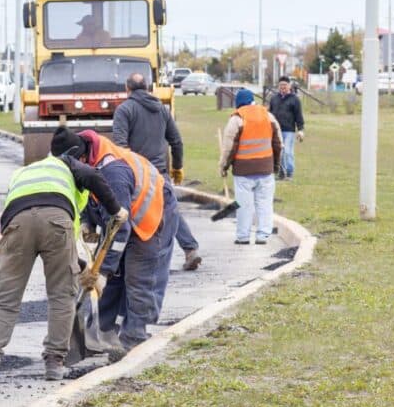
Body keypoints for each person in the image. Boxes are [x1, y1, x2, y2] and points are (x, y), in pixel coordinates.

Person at [0, 128, 128, 383]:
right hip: (57, 222)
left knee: (5, 298)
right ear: (75, 155)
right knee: (61, 295)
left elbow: (32, 221)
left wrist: (78, 264)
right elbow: (92, 176)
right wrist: (116, 211)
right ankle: (54, 363)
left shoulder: (26, 171)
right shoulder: (68, 163)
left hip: (16, 225)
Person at [54, 129, 178, 361]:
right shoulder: (91, 160)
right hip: (123, 214)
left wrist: (104, 270)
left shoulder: (113, 172)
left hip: (152, 214)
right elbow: (95, 195)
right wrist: (89, 221)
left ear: (79, 159)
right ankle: (101, 335)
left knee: (139, 277)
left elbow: (120, 227)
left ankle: (134, 343)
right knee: (111, 276)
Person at [113, 72, 202, 271]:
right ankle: (190, 249)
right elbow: (176, 141)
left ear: (127, 89)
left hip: (137, 174)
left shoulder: (124, 110)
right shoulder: (161, 109)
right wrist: (177, 167)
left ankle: (125, 260)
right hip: (160, 173)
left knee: (131, 214)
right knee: (169, 211)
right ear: (148, 88)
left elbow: (120, 147)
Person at [219, 88, 283, 244]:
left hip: (243, 171)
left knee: (243, 205)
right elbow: (278, 144)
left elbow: (229, 148)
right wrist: (275, 165)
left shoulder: (237, 119)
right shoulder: (268, 116)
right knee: (265, 203)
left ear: (238, 103)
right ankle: (263, 235)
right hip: (265, 169)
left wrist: (223, 166)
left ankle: (243, 236)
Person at [268, 76, 305, 181]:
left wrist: (301, 129)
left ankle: (289, 172)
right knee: (278, 151)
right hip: (276, 130)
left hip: (289, 130)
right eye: (281, 85)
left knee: (287, 151)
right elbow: (270, 114)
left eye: (285, 85)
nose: (283, 87)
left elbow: (299, 115)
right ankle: (281, 173)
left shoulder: (295, 100)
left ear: (289, 86)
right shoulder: (274, 98)